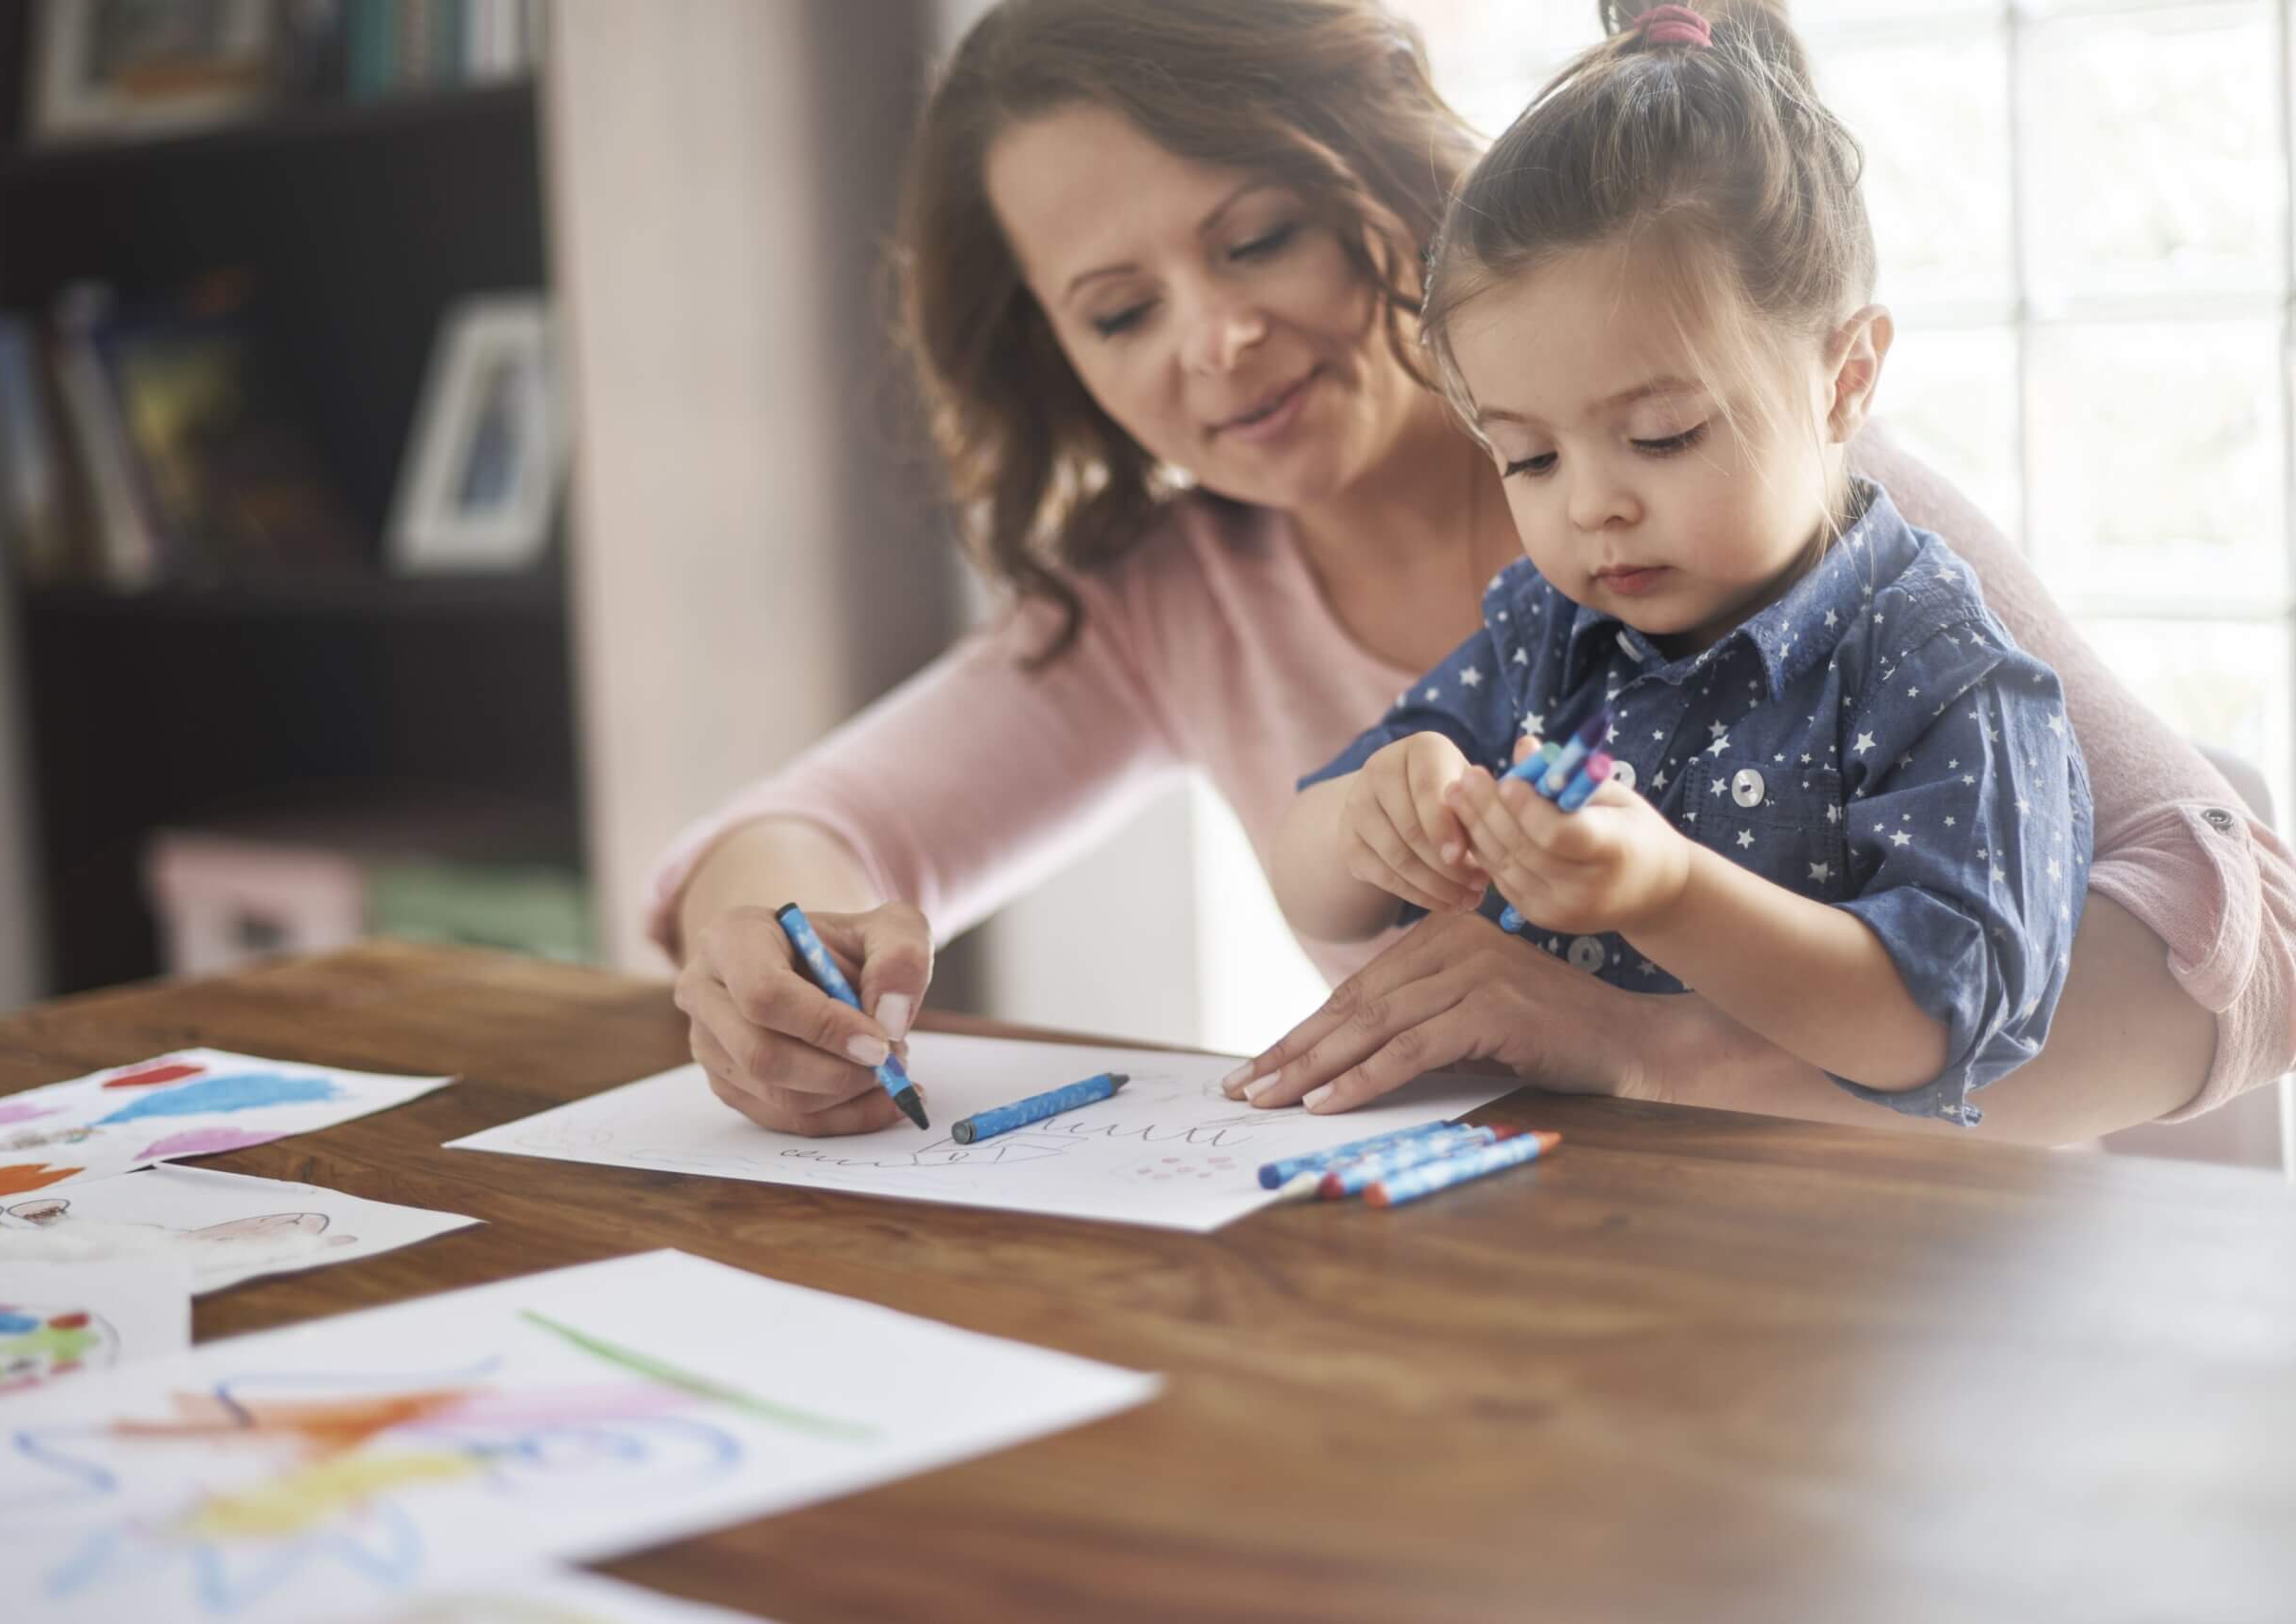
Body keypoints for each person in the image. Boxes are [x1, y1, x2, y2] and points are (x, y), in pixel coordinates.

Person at [650, 0, 2295, 1145]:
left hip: (1957, 1291)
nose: (1216, 342)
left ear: (1378, 169)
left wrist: (1647, 1049)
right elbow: (805, 832)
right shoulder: (1190, 595)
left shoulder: (1799, 524)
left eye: (1256, 235)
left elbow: (2260, 945)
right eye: (1119, 310)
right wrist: (766, 959)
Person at [1266, 0, 2088, 1129]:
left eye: (1662, 437)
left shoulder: (1939, 672)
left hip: (1832, 1253)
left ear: (1846, 378)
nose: (1593, 504)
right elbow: (1306, 869)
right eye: (1530, 456)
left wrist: (1670, 892)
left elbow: (1937, 1023)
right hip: (1545, 1219)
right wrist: (1373, 813)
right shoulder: (1546, 636)